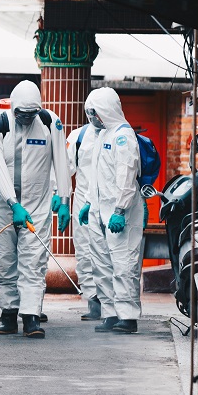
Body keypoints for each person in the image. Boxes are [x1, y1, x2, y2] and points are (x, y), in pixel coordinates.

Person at [0, 80, 71, 338]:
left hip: (37, 205)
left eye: (32, 114)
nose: (27, 119)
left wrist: (64, 201)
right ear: (13, 107)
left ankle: (30, 317)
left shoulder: (50, 123)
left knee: (34, 262)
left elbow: (62, 161)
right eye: (22, 114)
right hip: (2, 206)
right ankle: (8, 314)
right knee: (6, 261)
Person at [78, 87, 144, 334]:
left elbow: (126, 176)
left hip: (120, 214)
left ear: (106, 109)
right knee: (101, 263)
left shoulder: (123, 136)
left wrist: (119, 209)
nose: (92, 118)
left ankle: (127, 317)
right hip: (98, 210)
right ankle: (110, 312)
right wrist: (87, 203)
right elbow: (94, 176)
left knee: (123, 263)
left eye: (95, 112)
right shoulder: (103, 135)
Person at [65, 120, 103, 321]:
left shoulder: (120, 135)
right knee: (84, 252)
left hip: (109, 201)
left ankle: (113, 305)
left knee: (108, 255)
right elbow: (65, 168)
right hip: (82, 200)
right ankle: (93, 302)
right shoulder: (78, 137)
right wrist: (60, 196)